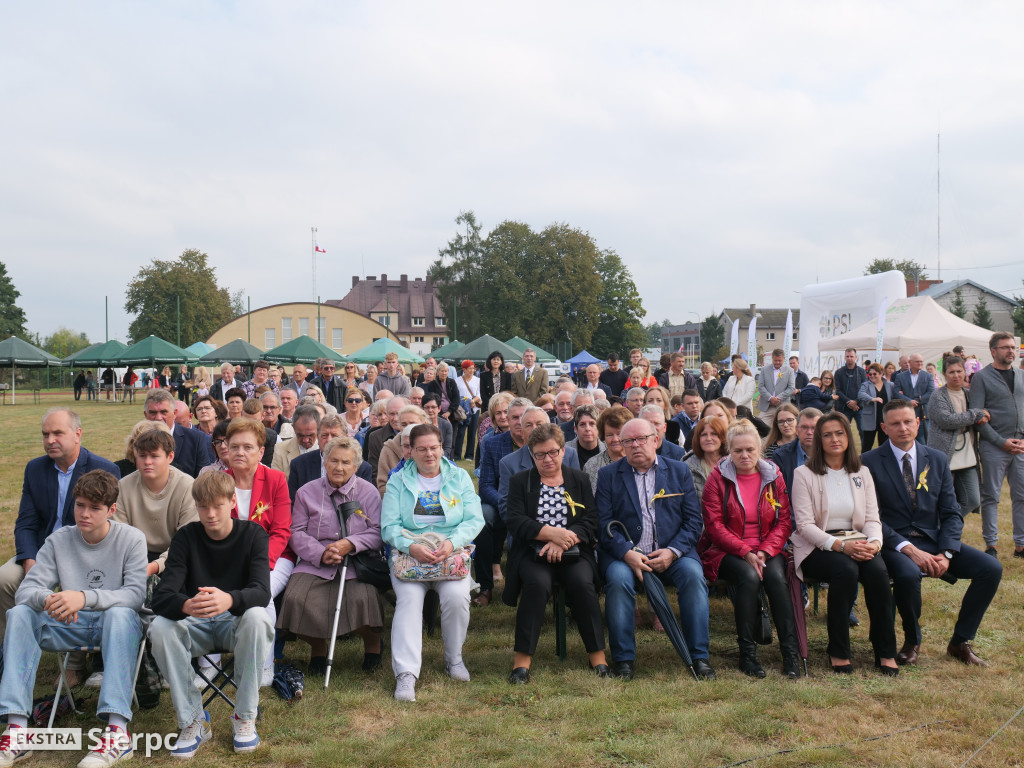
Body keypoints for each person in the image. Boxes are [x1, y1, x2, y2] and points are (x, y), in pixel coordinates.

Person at [0, 470, 146, 768]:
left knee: (120, 614)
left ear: (111, 510)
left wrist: (84, 596)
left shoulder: (131, 538)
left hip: (116, 626)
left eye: (94, 508)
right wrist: (48, 599)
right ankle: (17, 729)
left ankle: (117, 732)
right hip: (70, 623)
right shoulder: (59, 540)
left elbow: (135, 596)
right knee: (20, 614)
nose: (85, 514)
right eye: (80, 505)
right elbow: (27, 590)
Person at [862, 400, 1003, 666]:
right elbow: (872, 518)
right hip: (894, 544)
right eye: (895, 423)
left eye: (908, 421)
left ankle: (960, 641)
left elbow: (950, 511)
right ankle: (912, 641)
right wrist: (908, 549)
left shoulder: (936, 459)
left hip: (933, 539)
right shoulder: (868, 462)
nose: (903, 428)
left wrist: (947, 553)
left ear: (918, 422)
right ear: (884, 427)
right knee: (907, 573)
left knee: (991, 568)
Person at [149, 471, 273, 757]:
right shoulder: (186, 537)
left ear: (232, 501)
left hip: (235, 623)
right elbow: (162, 596)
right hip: (195, 623)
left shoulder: (253, 534)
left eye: (217, 505)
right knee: (160, 628)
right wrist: (185, 605)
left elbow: (261, 592)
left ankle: (244, 716)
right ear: (196, 506)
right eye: (203, 506)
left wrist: (229, 599)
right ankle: (193, 720)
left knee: (258, 617)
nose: (210, 513)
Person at [596, 419, 714, 681]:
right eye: (628, 441)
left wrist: (673, 551)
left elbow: (694, 521)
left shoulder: (679, 471)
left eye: (641, 439)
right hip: (626, 556)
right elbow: (603, 524)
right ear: (622, 445)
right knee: (617, 580)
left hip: (672, 553)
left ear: (656, 440)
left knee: (694, 577)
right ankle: (624, 660)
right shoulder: (608, 476)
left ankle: (699, 656)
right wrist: (627, 553)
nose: (635, 445)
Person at [789, 412, 898, 675]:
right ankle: (838, 650)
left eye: (839, 433)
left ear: (848, 437)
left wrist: (873, 543)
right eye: (827, 434)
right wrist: (840, 546)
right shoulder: (803, 474)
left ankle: (885, 650)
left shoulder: (862, 472)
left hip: (858, 541)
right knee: (845, 570)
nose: (834, 439)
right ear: (818, 440)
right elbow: (804, 526)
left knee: (878, 572)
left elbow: (872, 517)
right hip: (819, 545)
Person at [1, 408, 120, 649]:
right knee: (4, 579)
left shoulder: (103, 469)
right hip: (41, 553)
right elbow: (26, 523)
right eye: (45, 434)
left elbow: (102, 526)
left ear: (77, 434)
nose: (50, 440)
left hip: (81, 554)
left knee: (74, 588)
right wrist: (30, 562)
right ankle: (11, 648)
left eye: (57, 433)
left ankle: (73, 663)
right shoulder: (35, 469)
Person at [381, 425, 484, 702]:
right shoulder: (398, 481)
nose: (429, 454)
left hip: (449, 554)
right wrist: (410, 546)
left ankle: (454, 659)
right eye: (422, 449)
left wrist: (452, 544)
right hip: (410, 556)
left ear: (442, 448)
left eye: (434, 448)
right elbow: (388, 526)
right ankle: (406, 675)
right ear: (410, 451)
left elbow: (475, 519)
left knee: (457, 597)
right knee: (409, 601)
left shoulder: (459, 477)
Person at [504, 424, 608, 682]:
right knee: (536, 584)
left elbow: (590, 520)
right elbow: (515, 520)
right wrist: (550, 534)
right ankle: (522, 662)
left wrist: (564, 541)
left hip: (574, 551)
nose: (548, 459)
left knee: (582, 583)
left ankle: (598, 656)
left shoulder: (579, 479)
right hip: (532, 552)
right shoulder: (520, 481)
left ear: (563, 451)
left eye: (553, 452)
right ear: (532, 456)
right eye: (540, 454)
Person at [699, 420, 799, 679]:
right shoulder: (717, 479)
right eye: (738, 450)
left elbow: (784, 520)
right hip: (727, 550)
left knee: (777, 578)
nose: (745, 455)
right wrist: (745, 552)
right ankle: (748, 654)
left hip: (767, 546)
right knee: (749, 576)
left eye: (750, 450)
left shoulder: (773, 475)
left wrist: (765, 550)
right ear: (728, 451)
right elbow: (714, 526)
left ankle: (790, 654)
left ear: (759, 449)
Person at [278, 436, 384, 674]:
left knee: (362, 599)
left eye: (346, 462)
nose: (339, 467)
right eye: (333, 461)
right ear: (324, 462)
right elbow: (295, 532)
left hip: (357, 561)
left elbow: (378, 531)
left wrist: (350, 543)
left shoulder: (367, 492)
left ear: (356, 466)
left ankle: (373, 644)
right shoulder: (307, 492)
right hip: (315, 561)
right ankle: (318, 647)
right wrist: (320, 552)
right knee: (296, 599)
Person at [223, 419, 293, 684]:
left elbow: (281, 531)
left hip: (274, 558)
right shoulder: (220, 480)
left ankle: (264, 664)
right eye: (234, 446)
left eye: (247, 447)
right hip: (228, 558)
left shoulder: (275, 479)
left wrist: (260, 563)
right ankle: (210, 664)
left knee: (261, 594)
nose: (240, 452)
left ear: (261, 452)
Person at [115, 428, 198, 578]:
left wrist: (155, 566)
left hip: (176, 557)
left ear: (170, 456)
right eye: (142, 456)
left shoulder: (187, 486)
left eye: (154, 456)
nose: (147, 462)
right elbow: (120, 535)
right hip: (134, 557)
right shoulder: (123, 486)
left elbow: (187, 539)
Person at [969, 332, 1024, 557]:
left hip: (1021, 445)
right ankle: (991, 545)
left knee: (1021, 495)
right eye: (1005, 347)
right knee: (991, 496)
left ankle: (1021, 545)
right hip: (994, 446)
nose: (1010, 351)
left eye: (1013, 347)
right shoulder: (981, 378)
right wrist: (1001, 442)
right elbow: (978, 416)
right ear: (993, 351)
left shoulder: (1021, 375)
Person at [144, 389, 214, 479]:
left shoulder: (196, 439)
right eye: (153, 413)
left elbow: (204, 480)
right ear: (145, 415)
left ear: (174, 413)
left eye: (163, 412)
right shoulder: (138, 440)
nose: (158, 418)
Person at [582, 405, 633, 493]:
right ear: (603, 435)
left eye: (619, 434)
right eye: (609, 435)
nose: (615, 439)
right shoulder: (592, 465)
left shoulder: (637, 461)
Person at [272, 405, 321, 478]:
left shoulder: (327, 450)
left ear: (319, 428)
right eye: (300, 435)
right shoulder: (280, 449)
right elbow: (275, 481)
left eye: (310, 435)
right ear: (293, 428)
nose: (305, 440)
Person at [894, 353, 935, 442]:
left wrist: (917, 401)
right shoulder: (900, 377)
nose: (920, 363)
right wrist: (908, 401)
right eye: (917, 362)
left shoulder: (928, 376)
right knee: (908, 440)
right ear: (910, 362)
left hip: (923, 414)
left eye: (921, 361)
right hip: (906, 415)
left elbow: (931, 392)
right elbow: (896, 393)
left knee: (923, 440)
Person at [685, 417, 727, 503]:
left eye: (714, 434)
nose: (708, 438)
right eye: (703, 434)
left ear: (722, 437)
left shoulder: (734, 463)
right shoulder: (687, 468)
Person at [856, 363, 896, 452]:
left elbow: (895, 396)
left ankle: (882, 464)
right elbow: (860, 394)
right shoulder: (866, 385)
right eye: (870, 374)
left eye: (875, 374)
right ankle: (863, 464)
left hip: (884, 420)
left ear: (881, 373)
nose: (872, 376)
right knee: (867, 445)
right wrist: (873, 399)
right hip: (870, 419)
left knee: (884, 445)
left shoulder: (890, 385)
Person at [756, 349, 796, 426]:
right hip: (768, 406)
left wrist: (778, 398)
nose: (777, 362)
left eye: (779, 360)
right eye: (775, 360)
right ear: (772, 358)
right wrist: (770, 398)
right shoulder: (764, 370)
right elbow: (761, 386)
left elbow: (791, 388)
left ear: (784, 358)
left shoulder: (789, 371)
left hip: (783, 405)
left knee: (784, 428)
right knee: (760, 427)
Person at [833, 348, 867, 435]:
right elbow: (838, 390)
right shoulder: (839, 372)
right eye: (847, 356)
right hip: (844, 408)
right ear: (845, 357)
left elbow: (864, 389)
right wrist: (849, 401)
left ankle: (865, 449)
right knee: (842, 432)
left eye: (851, 356)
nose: (849, 358)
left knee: (863, 432)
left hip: (859, 407)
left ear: (856, 357)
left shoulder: (862, 372)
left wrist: (856, 402)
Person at [454, 360, 482, 461]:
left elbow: (479, 394)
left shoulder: (477, 380)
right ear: (464, 369)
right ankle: (456, 454)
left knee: (472, 432)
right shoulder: (457, 380)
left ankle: (469, 455)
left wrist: (473, 401)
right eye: (470, 368)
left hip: (474, 409)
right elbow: (456, 395)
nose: (472, 370)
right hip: (462, 410)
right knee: (460, 432)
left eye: (473, 368)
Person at [566, 404, 604, 469]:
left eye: (592, 424)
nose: (587, 429)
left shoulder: (608, 449)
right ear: (576, 429)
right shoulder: (565, 451)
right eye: (582, 424)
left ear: (598, 427)